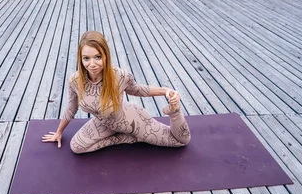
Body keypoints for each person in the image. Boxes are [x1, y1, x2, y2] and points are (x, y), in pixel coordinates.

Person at [42, 31, 191, 154]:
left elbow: (138, 90)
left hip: (132, 121)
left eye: (98, 57)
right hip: (104, 123)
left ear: (106, 56)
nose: (92, 64)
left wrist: (165, 90)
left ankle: (174, 112)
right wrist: (58, 132)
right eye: (86, 58)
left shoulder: (120, 76)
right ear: (80, 59)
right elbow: (71, 108)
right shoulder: (75, 81)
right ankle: (129, 138)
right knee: (77, 148)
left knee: (179, 141)